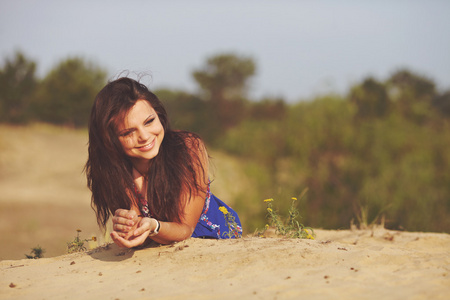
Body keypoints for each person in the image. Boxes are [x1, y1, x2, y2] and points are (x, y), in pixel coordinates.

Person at [85, 77, 242, 248]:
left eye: (149, 121)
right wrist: (128, 226)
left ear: (159, 114)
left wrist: (153, 226)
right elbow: (137, 227)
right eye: (128, 132)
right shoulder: (114, 170)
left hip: (215, 241)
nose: (144, 136)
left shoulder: (188, 147)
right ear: (110, 140)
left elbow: (186, 229)